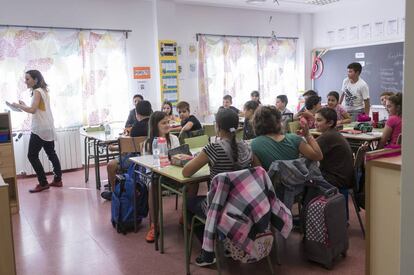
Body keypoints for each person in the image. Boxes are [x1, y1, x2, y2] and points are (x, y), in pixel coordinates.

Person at [182, 108, 252, 266]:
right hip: (244, 205)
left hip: (219, 207)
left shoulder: (212, 149)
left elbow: (187, 172)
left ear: (217, 126)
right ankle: (226, 241)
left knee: (189, 203)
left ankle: (208, 250)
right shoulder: (247, 147)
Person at [11, 70, 62, 193]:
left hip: (40, 129)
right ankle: (57, 180)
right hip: (48, 127)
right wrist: (24, 106)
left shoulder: (37, 92)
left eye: (28, 79)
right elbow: (38, 108)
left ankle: (43, 183)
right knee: (51, 153)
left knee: (32, 155)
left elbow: (33, 110)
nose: (25, 81)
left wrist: (18, 106)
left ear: (35, 80)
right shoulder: (43, 91)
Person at [101, 100, 152, 200]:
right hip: (151, 158)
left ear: (136, 113)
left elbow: (129, 148)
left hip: (136, 159)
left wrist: (114, 148)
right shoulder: (154, 125)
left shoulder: (136, 128)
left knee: (111, 165)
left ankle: (115, 192)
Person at [142, 111, 180, 243]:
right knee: (153, 186)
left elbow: (179, 158)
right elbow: (147, 167)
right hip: (156, 176)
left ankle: (186, 216)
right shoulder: (148, 143)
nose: (167, 125)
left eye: (168, 122)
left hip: (173, 175)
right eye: (163, 123)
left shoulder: (174, 139)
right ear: (154, 125)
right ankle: (154, 225)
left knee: (193, 183)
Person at [251, 105, 323, 171]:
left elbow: (260, 174)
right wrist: (307, 135)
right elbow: (318, 156)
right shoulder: (294, 138)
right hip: (297, 182)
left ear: (256, 123)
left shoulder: (254, 145)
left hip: (272, 184)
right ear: (279, 121)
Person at [314, 107, 354, 218]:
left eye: (319, 120)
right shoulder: (333, 133)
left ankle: (312, 217)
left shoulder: (327, 137)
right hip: (345, 177)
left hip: (336, 179)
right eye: (315, 120)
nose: (315, 123)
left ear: (330, 122)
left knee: (305, 181)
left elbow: (309, 153)